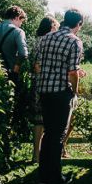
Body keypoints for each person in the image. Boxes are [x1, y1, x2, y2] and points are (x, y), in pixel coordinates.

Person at [35, 8, 85, 184]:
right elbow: (73, 72)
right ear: (79, 24)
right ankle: (55, 178)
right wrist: (75, 91)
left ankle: (43, 176)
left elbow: (38, 64)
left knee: (49, 133)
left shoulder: (46, 38)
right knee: (58, 135)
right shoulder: (75, 41)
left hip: (44, 90)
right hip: (61, 91)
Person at [0, 5, 29, 135]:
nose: (21, 24)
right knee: (6, 107)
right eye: (21, 21)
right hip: (8, 75)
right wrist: (16, 68)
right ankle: (4, 136)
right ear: (17, 17)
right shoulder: (18, 32)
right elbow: (24, 54)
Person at [30, 16, 59, 163]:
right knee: (44, 120)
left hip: (37, 83)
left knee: (39, 120)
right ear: (51, 26)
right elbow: (37, 66)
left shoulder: (37, 41)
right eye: (56, 27)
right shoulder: (46, 41)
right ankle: (39, 154)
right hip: (44, 84)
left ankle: (37, 154)